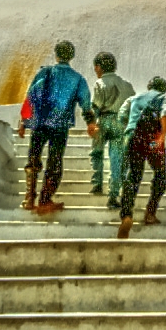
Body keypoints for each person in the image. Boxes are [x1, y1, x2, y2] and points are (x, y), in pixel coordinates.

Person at [18, 40, 97, 215]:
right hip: (60, 126)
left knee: (33, 159)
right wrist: (91, 123)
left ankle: (29, 198)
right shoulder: (78, 79)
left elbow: (31, 96)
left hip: (40, 123)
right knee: (54, 162)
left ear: (56, 54)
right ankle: (45, 199)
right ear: (72, 57)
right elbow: (85, 104)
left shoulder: (44, 73)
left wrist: (24, 122)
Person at [117, 76, 166, 239]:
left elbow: (121, 116)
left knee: (133, 176)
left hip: (134, 136)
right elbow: (165, 114)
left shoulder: (135, 98)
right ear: (164, 88)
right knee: (160, 175)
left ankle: (126, 215)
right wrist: (161, 136)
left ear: (149, 87)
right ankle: (150, 213)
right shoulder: (164, 97)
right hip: (153, 137)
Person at [89, 51, 135, 210]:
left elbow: (95, 106)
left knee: (97, 152)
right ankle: (113, 195)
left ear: (100, 67)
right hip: (121, 123)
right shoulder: (127, 85)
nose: (95, 70)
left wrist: (92, 123)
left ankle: (96, 183)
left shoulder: (100, 83)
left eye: (96, 67)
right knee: (117, 159)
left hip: (104, 120)